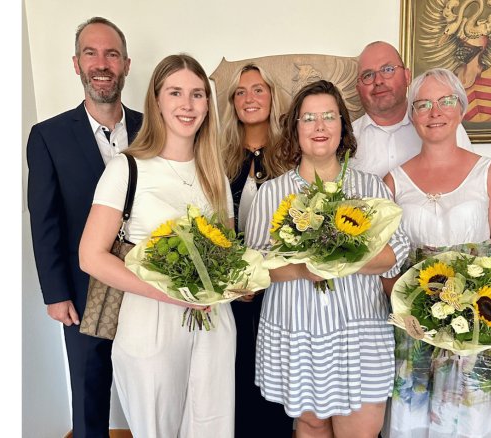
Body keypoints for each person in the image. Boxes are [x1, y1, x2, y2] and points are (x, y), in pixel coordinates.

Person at [78, 53, 236, 438]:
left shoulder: (214, 174)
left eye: (198, 94)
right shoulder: (126, 167)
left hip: (213, 322)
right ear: (156, 100)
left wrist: (240, 280)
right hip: (150, 321)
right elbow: (91, 256)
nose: (187, 104)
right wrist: (170, 293)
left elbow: (228, 253)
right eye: (176, 92)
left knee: (211, 427)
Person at [244, 80, 411, 438]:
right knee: (310, 424)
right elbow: (256, 267)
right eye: (309, 119)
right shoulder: (272, 193)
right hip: (297, 330)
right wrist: (304, 268)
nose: (319, 127)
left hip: (360, 333)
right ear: (295, 129)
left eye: (328, 117)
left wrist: (340, 260)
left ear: (342, 127)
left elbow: (394, 254)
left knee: (360, 430)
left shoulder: (370, 188)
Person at [382, 68, 491, 438]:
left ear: (461, 108)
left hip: (476, 329)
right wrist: (410, 312)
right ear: (412, 115)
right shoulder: (393, 182)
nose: (434, 112)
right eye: (422, 104)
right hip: (416, 330)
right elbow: (385, 263)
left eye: (445, 101)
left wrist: (475, 315)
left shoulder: (488, 173)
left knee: (470, 424)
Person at [26, 17, 142, 438]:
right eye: (91, 53)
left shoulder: (155, 129)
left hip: (148, 283)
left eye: (111, 53)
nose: (102, 63)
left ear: (126, 63)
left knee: (151, 385)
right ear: (76, 64)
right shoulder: (48, 136)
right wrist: (56, 294)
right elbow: (46, 220)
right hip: (82, 287)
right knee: (90, 392)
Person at [220, 64, 295, 437]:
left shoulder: (293, 156)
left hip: (283, 286)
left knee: (278, 372)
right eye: (240, 92)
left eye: (258, 89)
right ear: (232, 103)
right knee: (236, 369)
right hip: (233, 289)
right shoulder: (219, 157)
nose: (249, 98)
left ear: (272, 96)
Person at [350, 41, 473, 179]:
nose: (378, 81)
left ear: (407, 76)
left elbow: (470, 183)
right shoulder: (345, 139)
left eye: (388, 69)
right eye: (368, 75)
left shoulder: (443, 125)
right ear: (358, 88)